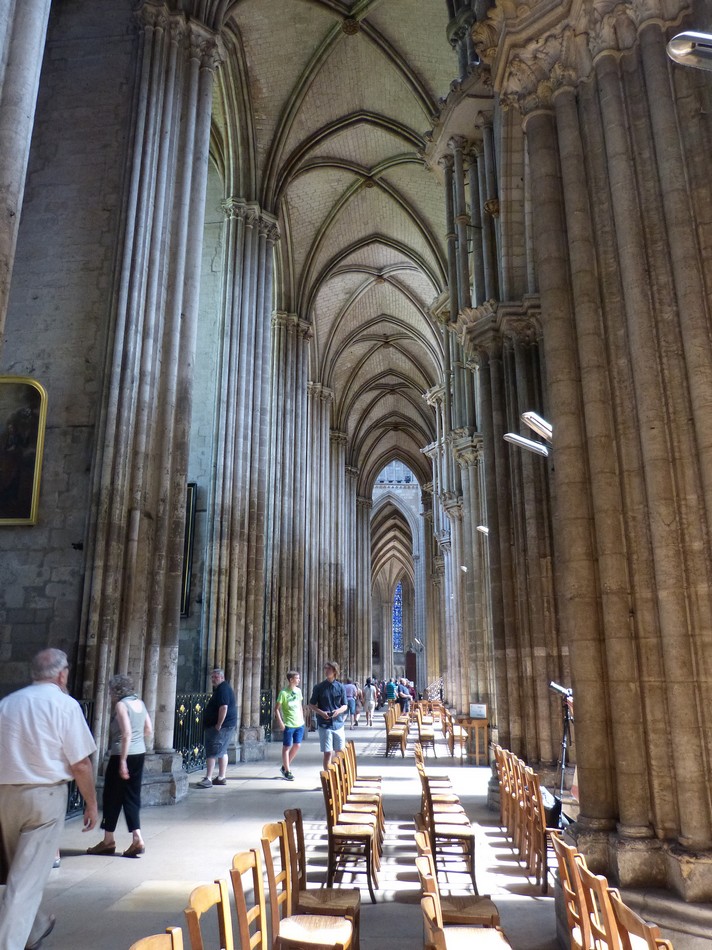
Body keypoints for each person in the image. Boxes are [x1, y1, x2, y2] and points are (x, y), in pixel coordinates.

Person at [0, 648, 97, 950]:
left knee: (18, 874)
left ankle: (35, 927)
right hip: (45, 798)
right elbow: (80, 763)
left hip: (5, 796)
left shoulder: (7, 704)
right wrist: (91, 803)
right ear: (62, 674)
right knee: (25, 882)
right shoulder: (65, 706)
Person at [86, 674, 152, 858]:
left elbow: (127, 734)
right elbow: (148, 729)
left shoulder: (121, 705)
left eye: (110, 690)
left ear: (116, 690)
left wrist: (122, 761)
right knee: (132, 796)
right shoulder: (140, 703)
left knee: (111, 796)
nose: (109, 694)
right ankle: (137, 838)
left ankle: (108, 841)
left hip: (122, 755)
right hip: (139, 753)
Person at [197, 668, 237, 788]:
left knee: (212, 751)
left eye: (216, 677)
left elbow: (223, 707)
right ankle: (221, 777)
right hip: (227, 725)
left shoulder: (223, 689)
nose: (213, 679)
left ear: (222, 677)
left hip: (222, 726)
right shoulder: (222, 688)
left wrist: (219, 724)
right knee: (222, 750)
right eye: (212, 677)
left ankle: (208, 778)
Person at [308, 661, 347, 769]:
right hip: (324, 724)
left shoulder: (340, 687)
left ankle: (338, 777)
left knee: (339, 752)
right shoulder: (319, 687)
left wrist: (338, 711)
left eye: (328, 669)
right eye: (325, 669)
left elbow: (345, 705)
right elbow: (311, 704)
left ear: (334, 671)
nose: (326, 671)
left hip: (338, 723)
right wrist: (321, 712)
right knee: (327, 753)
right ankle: (328, 779)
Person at [275, 670, 305, 781]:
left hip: (299, 723)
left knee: (297, 745)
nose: (299, 680)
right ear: (291, 680)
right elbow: (276, 709)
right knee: (286, 747)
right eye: (297, 678)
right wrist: (281, 723)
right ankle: (287, 770)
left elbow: (300, 705)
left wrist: (302, 718)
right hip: (289, 724)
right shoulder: (283, 693)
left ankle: (284, 766)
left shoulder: (298, 691)